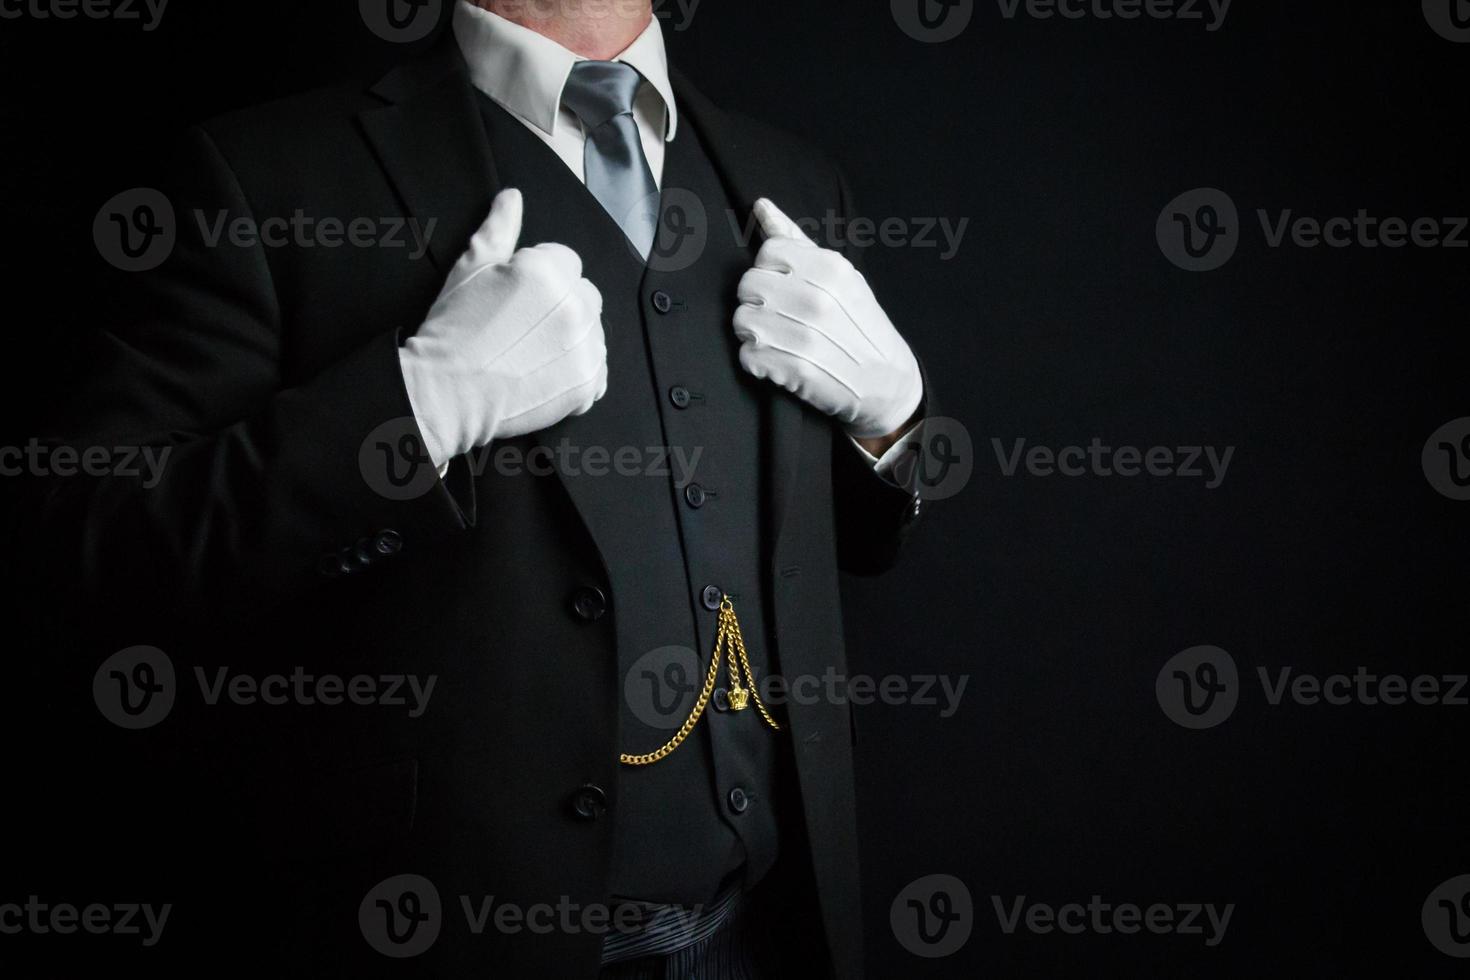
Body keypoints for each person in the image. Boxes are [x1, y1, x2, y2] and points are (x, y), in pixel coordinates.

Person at [29, 2, 931, 975]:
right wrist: (413, 404)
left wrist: (891, 427)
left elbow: (840, 541)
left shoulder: (796, 180)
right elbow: (93, 549)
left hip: (765, 932)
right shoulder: (259, 175)